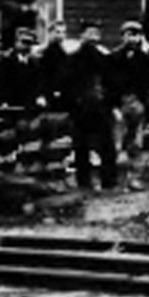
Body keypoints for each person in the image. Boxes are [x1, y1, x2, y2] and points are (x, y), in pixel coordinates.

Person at [58, 20, 119, 191]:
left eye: (96, 33)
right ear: (82, 35)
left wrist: (110, 103)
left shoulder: (106, 58)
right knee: (81, 146)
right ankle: (84, 182)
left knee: (106, 145)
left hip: (101, 107)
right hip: (81, 108)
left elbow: (113, 83)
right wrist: (73, 103)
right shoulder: (73, 58)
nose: (93, 37)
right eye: (89, 33)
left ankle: (109, 182)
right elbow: (65, 83)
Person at [109, 21, 149, 187]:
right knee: (117, 143)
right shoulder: (114, 58)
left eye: (136, 35)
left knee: (136, 144)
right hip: (119, 105)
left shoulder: (146, 60)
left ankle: (134, 178)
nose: (133, 39)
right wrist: (114, 106)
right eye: (129, 35)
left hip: (139, 104)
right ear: (123, 36)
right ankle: (116, 179)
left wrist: (148, 102)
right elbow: (108, 84)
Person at [0, 31, 42, 108]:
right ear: (16, 42)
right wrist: (1, 101)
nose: (27, 46)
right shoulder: (6, 61)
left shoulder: (34, 64)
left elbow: (38, 84)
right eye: (24, 42)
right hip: (8, 105)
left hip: (27, 106)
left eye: (30, 43)